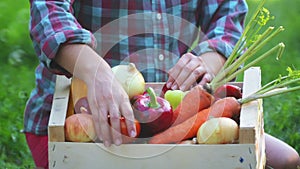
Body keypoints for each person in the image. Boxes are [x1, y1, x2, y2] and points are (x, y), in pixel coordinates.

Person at [25, 0, 299, 169]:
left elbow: (227, 16)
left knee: (287, 158)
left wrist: (205, 62)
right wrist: (95, 72)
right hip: (82, 118)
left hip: (168, 116)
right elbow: (48, 12)